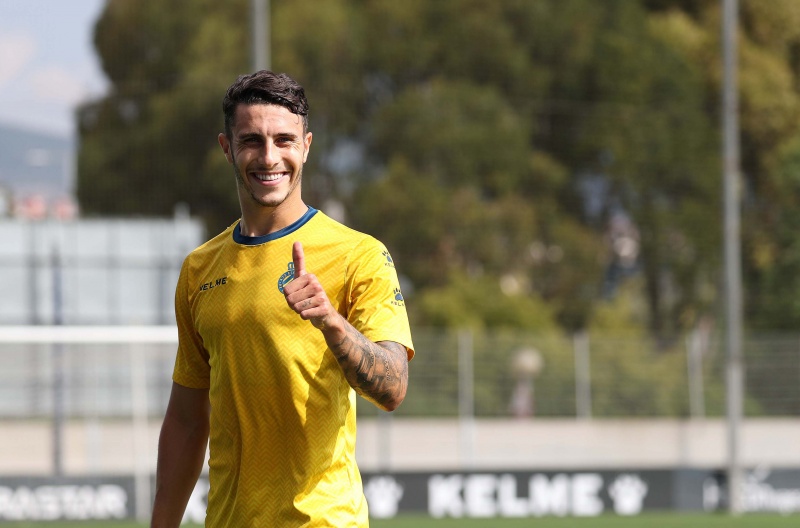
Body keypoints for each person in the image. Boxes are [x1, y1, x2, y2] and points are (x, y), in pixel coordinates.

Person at [150, 70, 414, 527]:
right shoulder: (199, 270)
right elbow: (187, 421)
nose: (269, 157)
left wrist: (332, 322)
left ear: (306, 146)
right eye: (252, 140)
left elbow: (393, 388)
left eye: (284, 140)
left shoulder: (359, 254)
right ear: (227, 148)